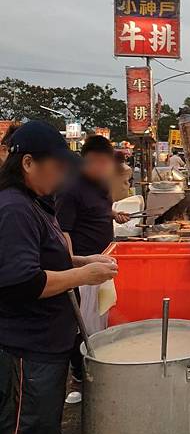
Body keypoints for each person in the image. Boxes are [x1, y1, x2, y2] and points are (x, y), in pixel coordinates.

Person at [0, 121, 118, 434]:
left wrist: (83, 259)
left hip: (46, 351)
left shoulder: (35, 203)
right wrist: (82, 274)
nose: (63, 173)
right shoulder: (14, 208)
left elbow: (47, 255)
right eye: (56, 164)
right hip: (26, 355)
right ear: (28, 162)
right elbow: (22, 283)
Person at [56, 135, 130, 384]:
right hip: (83, 266)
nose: (100, 167)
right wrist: (73, 264)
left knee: (100, 319)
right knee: (82, 324)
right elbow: (63, 230)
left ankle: (97, 365)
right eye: (95, 162)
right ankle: (79, 372)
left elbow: (97, 209)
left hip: (103, 261)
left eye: (104, 162)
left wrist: (114, 213)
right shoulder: (71, 188)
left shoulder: (100, 185)